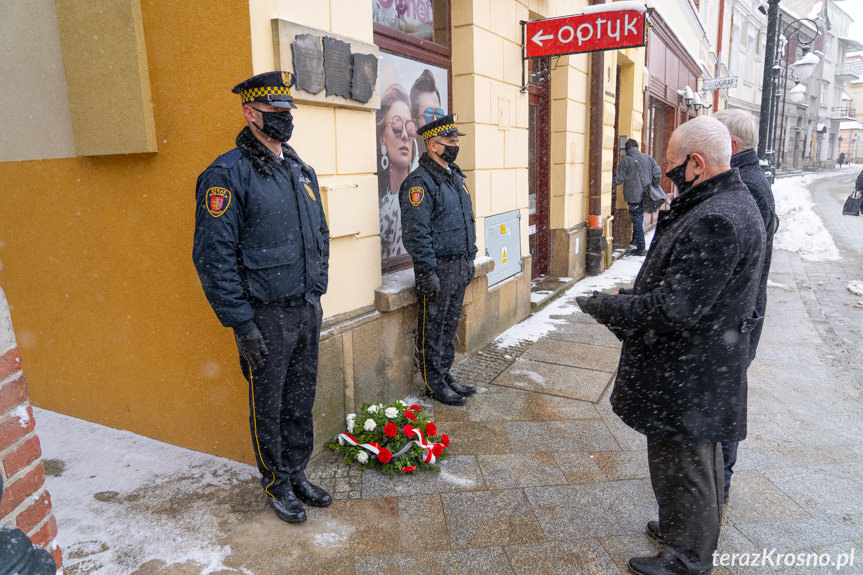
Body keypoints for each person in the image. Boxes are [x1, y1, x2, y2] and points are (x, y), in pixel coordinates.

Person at [577, 116, 765, 575]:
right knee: (684, 461)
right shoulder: (718, 202)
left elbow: (675, 309)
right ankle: (681, 530)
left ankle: (687, 558)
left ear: (696, 164)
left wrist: (608, 307)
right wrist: (633, 299)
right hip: (694, 367)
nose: (666, 175)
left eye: (670, 165)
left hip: (691, 370)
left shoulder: (718, 216)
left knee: (686, 465)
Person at [193, 71, 332, 525]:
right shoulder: (227, 174)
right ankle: (277, 482)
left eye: (287, 113)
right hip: (265, 315)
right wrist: (242, 324)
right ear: (250, 113)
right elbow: (214, 258)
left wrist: (317, 291)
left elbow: (319, 236)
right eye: (275, 113)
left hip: (305, 307)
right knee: (269, 404)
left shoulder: (299, 170)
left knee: (300, 399)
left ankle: (297, 472)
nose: (284, 121)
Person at [713, 108, 776, 503]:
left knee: (720, 405)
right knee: (719, 400)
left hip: (735, 320)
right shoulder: (747, 180)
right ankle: (711, 494)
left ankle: (714, 494)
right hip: (740, 317)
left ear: (731, 146)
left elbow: (727, 266)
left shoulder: (745, 188)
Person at [400, 114, 478, 406]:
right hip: (439, 267)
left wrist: (470, 257)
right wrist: (427, 272)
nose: (455, 145)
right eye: (450, 141)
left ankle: (445, 374)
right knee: (433, 326)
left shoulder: (454, 176)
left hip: (459, 264)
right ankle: (434, 383)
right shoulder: (420, 183)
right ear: (433, 145)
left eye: (456, 141)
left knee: (449, 323)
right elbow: (416, 233)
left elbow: (465, 218)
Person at [377, 84, 418, 259]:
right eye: (395, 126)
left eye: (409, 128)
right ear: (382, 139)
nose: (404, 135)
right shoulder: (377, 202)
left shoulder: (421, 195)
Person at [612, 139, 662, 256]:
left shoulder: (626, 161)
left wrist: (608, 185)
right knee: (638, 218)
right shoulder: (648, 158)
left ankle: (640, 248)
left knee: (637, 220)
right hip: (647, 194)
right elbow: (658, 172)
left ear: (627, 149)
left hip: (634, 195)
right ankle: (635, 240)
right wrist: (653, 184)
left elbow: (618, 179)